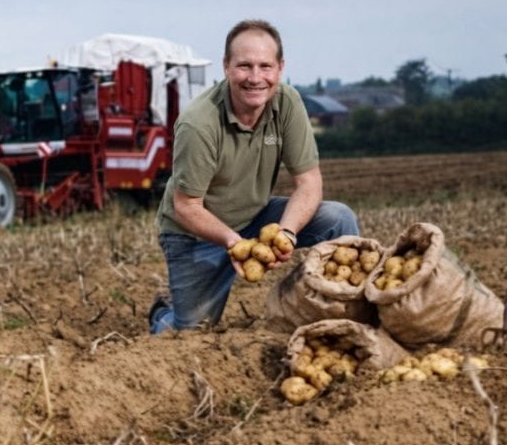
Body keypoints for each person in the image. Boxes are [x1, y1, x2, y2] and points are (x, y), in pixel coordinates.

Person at [150, 19, 360, 333]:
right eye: (244, 66)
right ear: (226, 67)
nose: (256, 78)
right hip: (196, 233)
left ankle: (345, 317)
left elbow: (309, 181)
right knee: (191, 334)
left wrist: (286, 233)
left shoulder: (287, 102)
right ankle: (162, 317)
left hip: (256, 215)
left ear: (280, 67)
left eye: (265, 66)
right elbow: (186, 206)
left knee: (338, 218)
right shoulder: (199, 123)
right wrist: (235, 243)